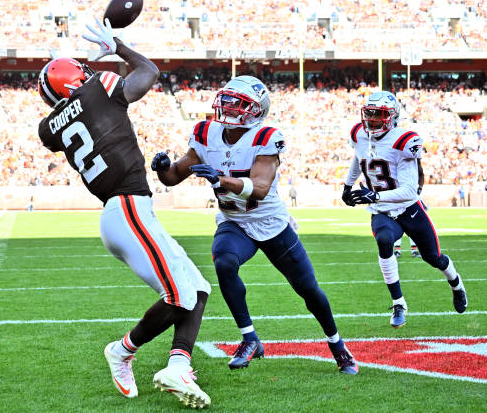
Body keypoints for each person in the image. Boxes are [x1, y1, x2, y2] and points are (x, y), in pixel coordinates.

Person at [37, 18, 212, 409]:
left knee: (197, 290)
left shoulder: (50, 127)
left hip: (124, 213)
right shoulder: (99, 86)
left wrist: (70, 78)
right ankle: (121, 350)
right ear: (78, 79)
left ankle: (179, 364)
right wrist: (117, 46)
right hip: (127, 207)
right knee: (179, 294)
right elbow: (148, 72)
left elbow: (61, 116)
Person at [152, 75, 358, 375]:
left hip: (270, 222)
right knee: (223, 261)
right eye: (226, 101)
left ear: (255, 110)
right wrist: (162, 169)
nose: (228, 108)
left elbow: (260, 188)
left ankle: (338, 346)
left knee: (308, 289)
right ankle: (250, 339)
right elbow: (173, 177)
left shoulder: (265, 137)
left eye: (237, 104)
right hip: (234, 221)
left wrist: (220, 179)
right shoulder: (205, 132)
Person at [341, 91, 467, 329]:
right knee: (385, 240)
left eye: (378, 115)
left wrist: (374, 194)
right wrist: (348, 186)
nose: (371, 120)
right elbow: (358, 160)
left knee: (434, 258)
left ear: (392, 117)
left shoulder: (404, 140)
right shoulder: (359, 134)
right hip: (381, 211)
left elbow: (410, 191)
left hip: (409, 209)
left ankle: (456, 284)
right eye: (369, 114)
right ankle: (399, 303)